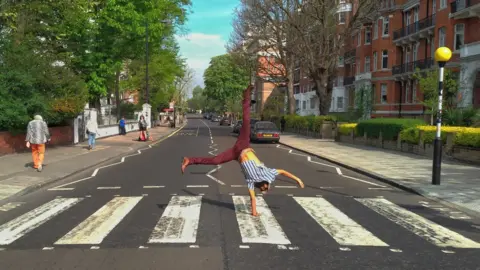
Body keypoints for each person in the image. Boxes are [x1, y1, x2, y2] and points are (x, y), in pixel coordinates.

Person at [181, 85, 304, 216]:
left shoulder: (251, 182)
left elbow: (252, 198)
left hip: (236, 154)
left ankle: (190, 160)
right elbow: (283, 172)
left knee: (215, 160)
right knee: (246, 122)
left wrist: (254, 212)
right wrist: (297, 180)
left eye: (263, 190)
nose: (264, 189)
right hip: (244, 146)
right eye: (265, 189)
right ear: (266, 184)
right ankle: (246, 98)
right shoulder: (269, 175)